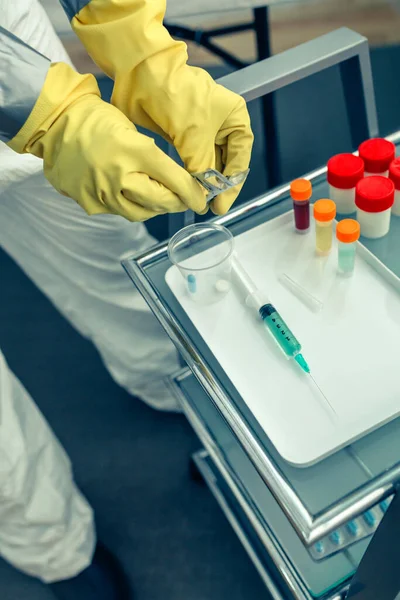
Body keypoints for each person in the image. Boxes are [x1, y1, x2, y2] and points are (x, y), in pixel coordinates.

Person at [0, 0, 253, 598]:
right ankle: (55, 547)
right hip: (27, 87)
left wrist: (142, 47)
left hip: (15, 55)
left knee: (110, 255)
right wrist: (53, 114)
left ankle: (176, 386)